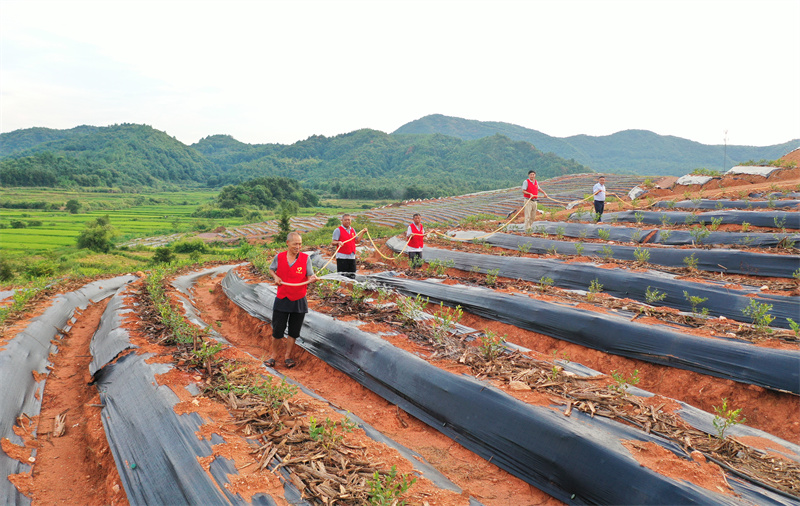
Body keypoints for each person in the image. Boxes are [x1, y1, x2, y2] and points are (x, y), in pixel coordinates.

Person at [267, 231, 317, 368]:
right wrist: (275, 277)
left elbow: (309, 276)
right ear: (288, 243)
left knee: (294, 331)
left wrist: (312, 279)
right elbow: (272, 269)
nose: (298, 247)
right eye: (295, 244)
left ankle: (288, 356)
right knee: (277, 330)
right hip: (282, 298)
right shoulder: (279, 257)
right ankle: (273, 356)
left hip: (299, 299)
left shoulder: (306, 259)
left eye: (300, 244)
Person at [331, 214, 364, 278]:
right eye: (345, 220)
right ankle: (343, 288)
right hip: (342, 257)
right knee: (342, 276)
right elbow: (333, 242)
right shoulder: (338, 230)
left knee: (352, 276)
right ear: (342, 221)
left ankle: (349, 288)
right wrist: (338, 242)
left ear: (351, 221)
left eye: (348, 220)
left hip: (351, 256)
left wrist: (363, 233)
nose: (347, 221)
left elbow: (357, 241)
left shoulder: (352, 230)